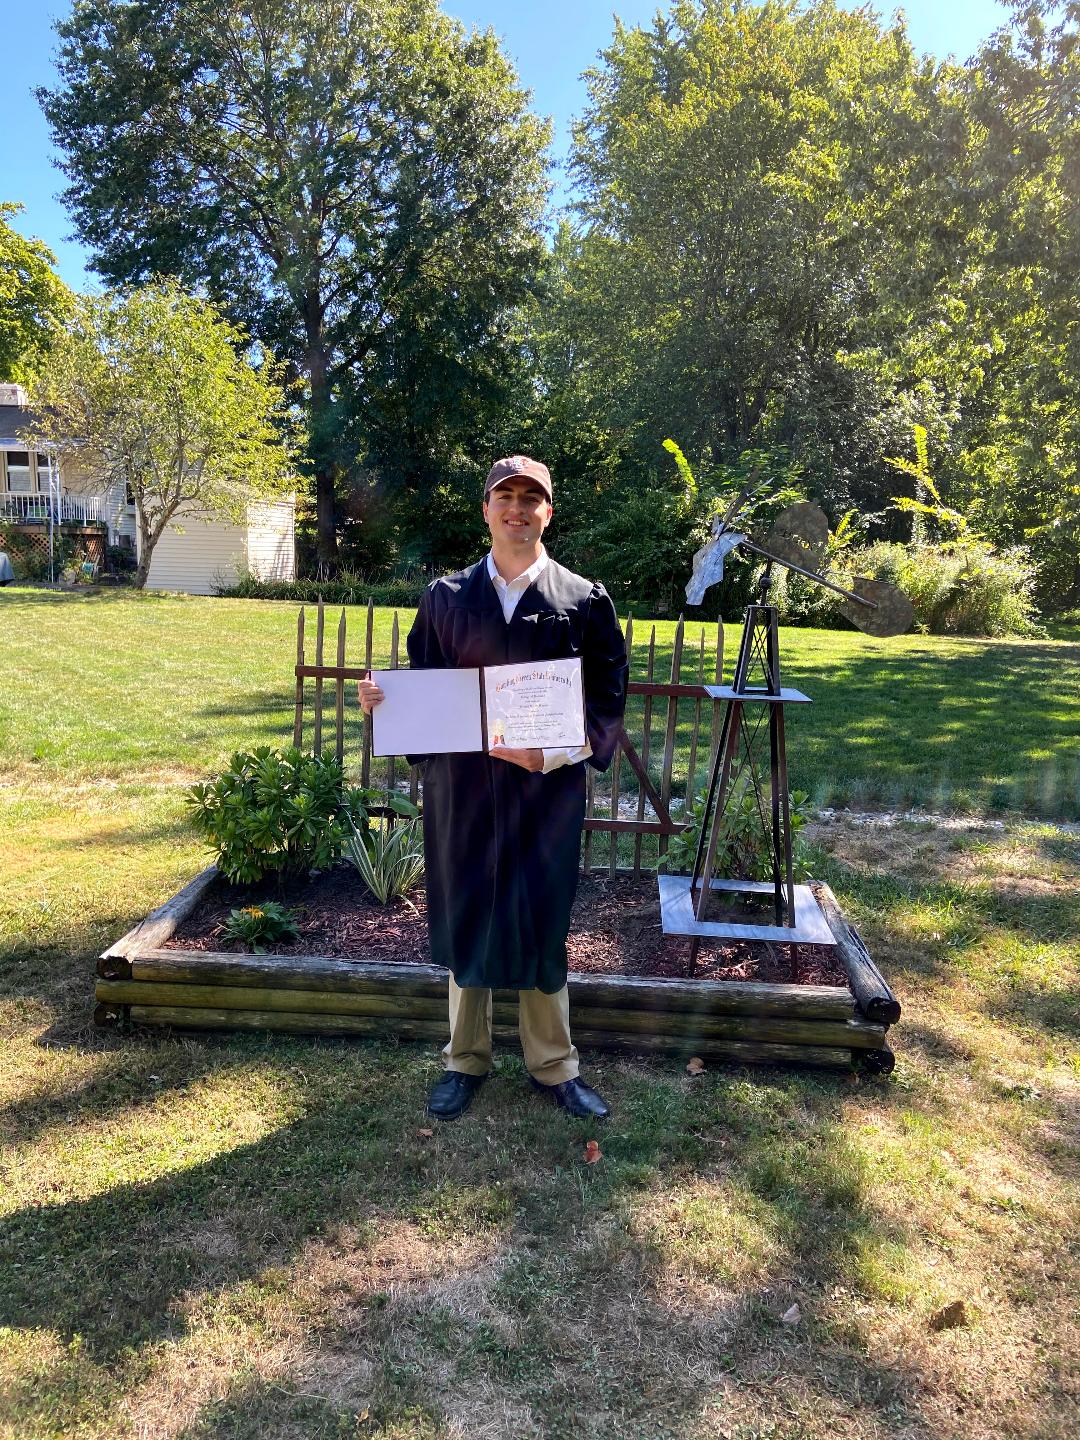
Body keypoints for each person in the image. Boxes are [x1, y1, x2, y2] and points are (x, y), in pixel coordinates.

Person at [358, 455, 628, 1121]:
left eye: (530, 498)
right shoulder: (446, 599)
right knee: (469, 912)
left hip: (546, 797)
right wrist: (383, 700)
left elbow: (607, 702)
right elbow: (422, 689)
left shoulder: (582, 601)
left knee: (543, 921)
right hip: (467, 795)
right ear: (485, 510)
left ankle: (554, 1065)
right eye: (504, 496)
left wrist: (553, 753)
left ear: (548, 512)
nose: (517, 509)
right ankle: (464, 1059)